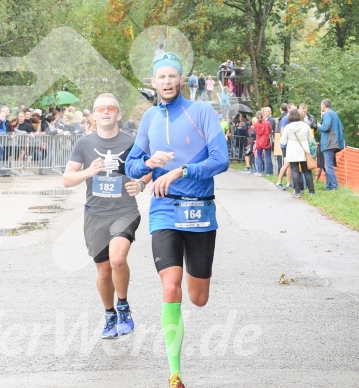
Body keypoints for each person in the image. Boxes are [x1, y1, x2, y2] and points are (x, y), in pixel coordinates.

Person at [125, 52, 229, 388]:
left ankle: (193, 288)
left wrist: (183, 170)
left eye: (173, 76)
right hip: (164, 210)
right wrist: (147, 164)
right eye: (161, 77)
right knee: (170, 286)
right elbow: (131, 166)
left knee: (198, 298)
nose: (167, 82)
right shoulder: (150, 118)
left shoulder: (200, 111)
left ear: (180, 79)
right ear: (153, 82)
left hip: (200, 210)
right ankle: (175, 374)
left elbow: (221, 159)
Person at [63, 93, 150, 340]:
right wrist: (88, 171)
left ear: (118, 114)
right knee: (103, 272)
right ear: (93, 116)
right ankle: (109, 314)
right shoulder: (84, 144)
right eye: (100, 108)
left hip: (125, 211)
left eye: (110, 108)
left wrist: (141, 184)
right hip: (95, 214)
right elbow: (67, 179)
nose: (105, 112)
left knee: (118, 260)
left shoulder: (131, 142)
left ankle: (123, 306)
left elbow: (149, 168)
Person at [280, 109, 316, 197]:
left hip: (292, 151)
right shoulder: (305, 125)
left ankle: (297, 191)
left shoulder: (288, 127)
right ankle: (312, 191)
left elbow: (283, 141)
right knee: (307, 171)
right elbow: (310, 139)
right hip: (304, 151)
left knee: (295, 170)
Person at [317, 99, 345, 190]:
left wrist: (318, 125)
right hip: (335, 142)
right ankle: (329, 185)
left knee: (328, 166)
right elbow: (341, 127)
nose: (321, 107)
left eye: (321, 105)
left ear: (324, 106)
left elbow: (325, 127)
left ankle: (333, 185)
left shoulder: (327, 114)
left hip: (328, 142)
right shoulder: (335, 114)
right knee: (327, 165)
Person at [253, 111, 273, 176]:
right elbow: (270, 130)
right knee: (268, 157)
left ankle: (259, 171)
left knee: (259, 156)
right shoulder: (267, 123)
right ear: (263, 115)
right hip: (266, 141)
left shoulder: (255, 124)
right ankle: (268, 172)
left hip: (259, 142)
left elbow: (256, 131)